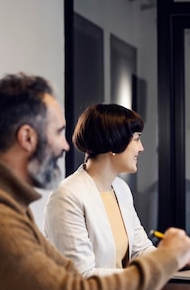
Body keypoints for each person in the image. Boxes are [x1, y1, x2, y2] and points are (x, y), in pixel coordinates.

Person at [0, 73, 190, 290]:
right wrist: (167, 258)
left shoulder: (9, 205)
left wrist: (168, 259)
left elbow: (66, 274)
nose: (66, 145)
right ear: (27, 137)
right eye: (58, 132)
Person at [44, 103, 156, 277]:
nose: (141, 148)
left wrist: (174, 260)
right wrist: (138, 277)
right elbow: (82, 274)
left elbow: (140, 250)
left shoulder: (121, 188)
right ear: (114, 141)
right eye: (136, 139)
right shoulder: (67, 195)